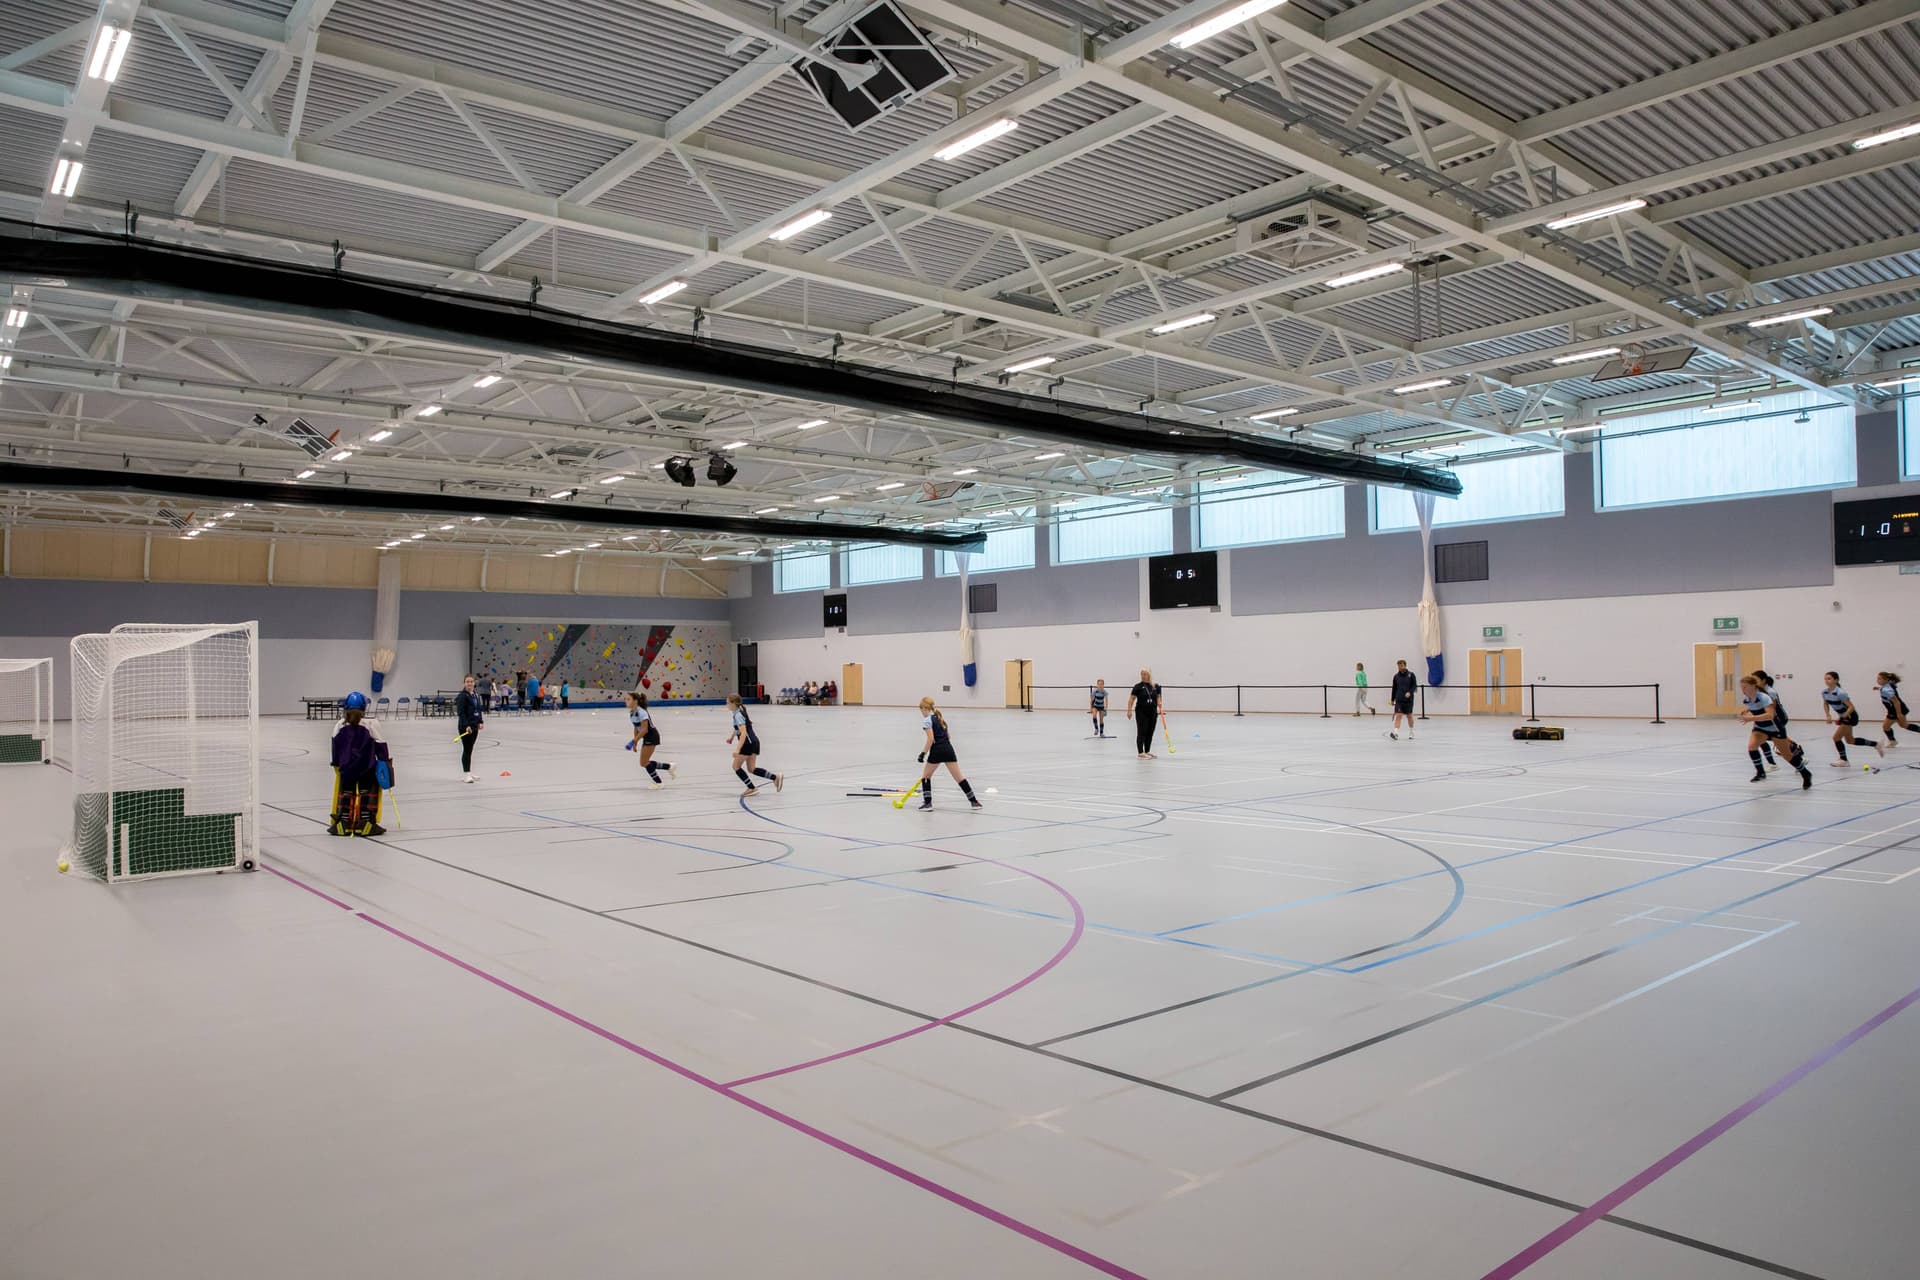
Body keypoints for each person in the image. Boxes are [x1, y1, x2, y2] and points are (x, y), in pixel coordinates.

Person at [329, 692, 387, 837]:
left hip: (346, 767)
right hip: (367, 767)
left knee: (346, 793)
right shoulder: (371, 723)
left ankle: (344, 823)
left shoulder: (340, 725)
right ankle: (366, 823)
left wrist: (336, 764)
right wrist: (384, 762)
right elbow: (381, 746)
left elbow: (335, 749)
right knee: (366, 793)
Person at [1739, 674, 1812, 789]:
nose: (1743, 690)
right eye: (1742, 687)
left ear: (1753, 686)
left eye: (1745, 687)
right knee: (1752, 747)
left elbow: (1770, 715)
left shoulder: (1764, 697)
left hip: (1774, 728)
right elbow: (1756, 711)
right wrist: (1748, 713)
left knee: (1787, 755)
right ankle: (1760, 772)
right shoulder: (1746, 700)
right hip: (1760, 727)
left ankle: (1805, 773)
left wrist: (1751, 718)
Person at [915, 697, 981, 809]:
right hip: (949, 749)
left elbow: (930, 739)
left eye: (921, 710)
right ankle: (974, 802)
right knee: (959, 777)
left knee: (926, 777)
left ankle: (927, 803)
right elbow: (948, 736)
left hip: (937, 750)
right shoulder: (940, 718)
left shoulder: (927, 720)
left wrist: (923, 754)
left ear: (924, 708)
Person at [1820, 671, 1885, 767]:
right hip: (1843, 716)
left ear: (1836, 680)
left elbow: (1851, 707)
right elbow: (1825, 703)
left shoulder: (1840, 693)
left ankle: (1844, 760)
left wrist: (1843, 716)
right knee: (1850, 740)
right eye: (1825, 679)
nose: (1826, 681)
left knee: (1836, 738)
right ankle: (1876, 744)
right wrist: (1828, 715)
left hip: (1850, 716)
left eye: (1829, 678)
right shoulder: (1824, 692)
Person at [726, 694, 782, 796]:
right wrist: (732, 737)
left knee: (736, 766)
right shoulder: (739, 712)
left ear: (733, 703)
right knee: (752, 769)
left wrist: (737, 750)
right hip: (754, 742)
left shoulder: (738, 715)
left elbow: (743, 733)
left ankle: (751, 788)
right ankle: (775, 777)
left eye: (728, 703)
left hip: (747, 744)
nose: (726, 705)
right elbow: (738, 728)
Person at [626, 690, 674, 785]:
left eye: (628, 699)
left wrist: (634, 740)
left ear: (635, 701)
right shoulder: (632, 713)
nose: (626, 701)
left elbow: (645, 730)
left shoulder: (642, 712)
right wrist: (635, 743)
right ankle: (668, 767)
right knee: (644, 762)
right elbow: (636, 727)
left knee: (644, 762)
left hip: (652, 736)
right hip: (647, 737)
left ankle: (659, 783)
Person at [1126, 668, 1164, 759]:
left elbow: (1158, 696)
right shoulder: (1138, 686)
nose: (1143, 676)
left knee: (1150, 732)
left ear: (1149, 675)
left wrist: (1159, 702)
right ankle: (1140, 752)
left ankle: (1147, 751)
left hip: (1153, 712)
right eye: (1142, 674)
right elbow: (1131, 699)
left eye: (1145, 674)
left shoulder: (1156, 686)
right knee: (1141, 731)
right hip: (1141, 712)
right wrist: (1129, 710)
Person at [455, 673, 484, 783]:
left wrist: (480, 721)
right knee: (467, 750)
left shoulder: (475, 695)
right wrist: (466, 725)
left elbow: (478, 709)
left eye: (471, 681)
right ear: (464, 683)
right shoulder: (463, 696)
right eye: (467, 682)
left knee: (470, 749)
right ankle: (466, 774)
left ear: (474, 683)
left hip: (474, 726)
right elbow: (461, 712)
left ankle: (470, 772)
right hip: (465, 727)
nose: (470, 684)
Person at [1877, 672, 1910, 746]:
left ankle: (1892, 741)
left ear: (1886, 680)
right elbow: (1887, 688)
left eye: (1879, 679)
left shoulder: (1887, 690)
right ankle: (1893, 741)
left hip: (1895, 710)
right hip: (1897, 709)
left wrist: (1899, 714)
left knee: (1886, 727)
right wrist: (1878, 688)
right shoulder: (1888, 684)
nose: (1877, 680)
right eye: (1877, 678)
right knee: (1904, 725)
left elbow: (1896, 702)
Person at [1389, 659, 1418, 740]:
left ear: (1405, 665)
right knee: (1398, 715)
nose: (1400, 667)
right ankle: (1396, 733)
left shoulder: (1411, 675)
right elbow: (1394, 688)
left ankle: (1411, 732)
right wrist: (1392, 699)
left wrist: (1410, 692)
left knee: (1409, 716)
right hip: (1399, 699)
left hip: (1409, 700)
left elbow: (1414, 686)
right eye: (1398, 665)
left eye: (1401, 665)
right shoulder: (1396, 676)